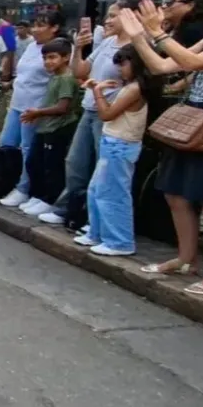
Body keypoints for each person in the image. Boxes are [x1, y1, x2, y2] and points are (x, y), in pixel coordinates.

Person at [122, 0, 203, 295]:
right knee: (175, 192)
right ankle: (186, 259)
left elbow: (193, 62)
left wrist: (157, 32)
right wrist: (138, 36)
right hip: (194, 121)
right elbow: (163, 67)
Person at [39, 6, 132, 227]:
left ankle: (94, 219)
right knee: (75, 163)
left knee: (103, 168)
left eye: (113, 16)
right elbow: (80, 71)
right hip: (89, 108)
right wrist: (78, 48)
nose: (107, 20)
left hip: (110, 113)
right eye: (107, 15)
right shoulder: (108, 43)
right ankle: (68, 209)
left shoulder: (135, 46)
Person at [77, 46, 148, 257]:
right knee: (97, 190)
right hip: (113, 142)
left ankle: (119, 241)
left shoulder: (135, 88)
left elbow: (107, 114)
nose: (120, 69)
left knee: (113, 193)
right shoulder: (129, 87)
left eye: (123, 64)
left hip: (121, 144)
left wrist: (98, 93)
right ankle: (97, 232)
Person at [0, 12, 61, 208]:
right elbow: (23, 73)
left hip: (35, 106)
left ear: (54, 28)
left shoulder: (59, 49)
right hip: (17, 102)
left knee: (28, 149)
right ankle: (1, 183)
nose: (35, 30)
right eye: (35, 25)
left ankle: (24, 188)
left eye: (41, 25)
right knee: (6, 144)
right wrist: (11, 83)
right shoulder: (32, 46)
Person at [20, 38, 80, 216]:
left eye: (52, 57)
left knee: (52, 167)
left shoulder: (66, 78)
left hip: (57, 128)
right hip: (45, 127)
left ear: (66, 57)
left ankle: (50, 199)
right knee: (34, 162)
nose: (48, 62)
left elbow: (63, 107)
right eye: (45, 58)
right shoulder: (55, 76)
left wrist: (38, 113)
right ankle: (39, 195)